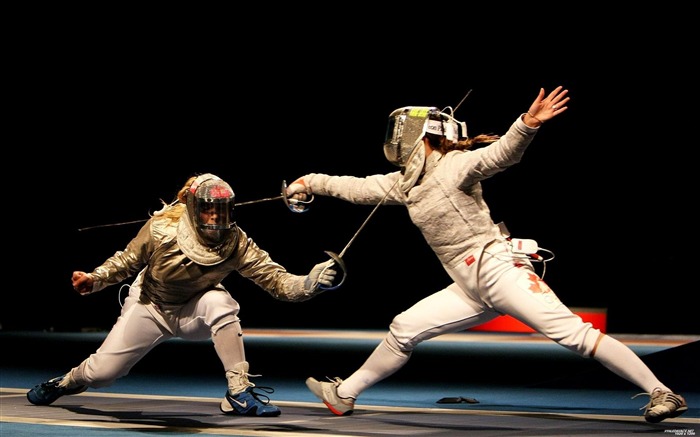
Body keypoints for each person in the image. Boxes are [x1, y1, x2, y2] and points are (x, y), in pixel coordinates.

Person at [286, 86, 688, 423]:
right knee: (404, 327)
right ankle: (344, 394)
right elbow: (356, 188)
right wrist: (310, 182)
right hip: (469, 285)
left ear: (420, 135)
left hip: (499, 270)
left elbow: (500, 155)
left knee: (577, 336)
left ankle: (663, 393)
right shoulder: (406, 184)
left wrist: (527, 124)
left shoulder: (456, 165)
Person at [27, 173, 336, 417]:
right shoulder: (164, 227)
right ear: (194, 207)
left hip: (193, 310)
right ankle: (65, 382)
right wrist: (94, 279)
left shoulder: (237, 242)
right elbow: (126, 261)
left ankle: (238, 392)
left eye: (223, 209)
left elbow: (277, 282)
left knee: (221, 302)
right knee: (103, 373)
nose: (216, 216)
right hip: (150, 306)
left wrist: (310, 282)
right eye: (209, 208)